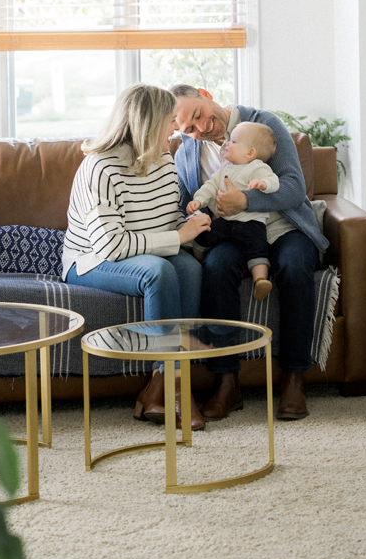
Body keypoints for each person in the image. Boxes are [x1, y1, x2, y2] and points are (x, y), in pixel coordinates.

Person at [171, 85, 329, 421]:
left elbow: (293, 186)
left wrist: (247, 201)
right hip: (232, 234)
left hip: (283, 226)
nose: (202, 129)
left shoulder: (261, 123)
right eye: (188, 129)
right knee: (216, 266)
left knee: (295, 262)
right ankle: (226, 381)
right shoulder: (185, 154)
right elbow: (189, 204)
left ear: (205, 93)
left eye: (199, 114)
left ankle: (294, 378)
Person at [62, 83, 211, 429]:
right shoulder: (100, 168)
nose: (176, 129)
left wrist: (191, 225)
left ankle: (160, 388)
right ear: (147, 123)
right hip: (89, 259)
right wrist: (177, 236)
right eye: (170, 120)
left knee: (188, 268)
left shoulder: (164, 161)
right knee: (157, 272)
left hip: (135, 251)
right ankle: (176, 389)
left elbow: (167, 220)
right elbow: (110, 246)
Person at [186, 121, 281, 301]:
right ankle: (198, 256)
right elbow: (210, 186)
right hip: (226, 222)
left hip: (251, 224)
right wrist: (198, 200)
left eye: (234, 141)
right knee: (204, 233)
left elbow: (273, 180)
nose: (227, 143)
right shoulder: (224, 170)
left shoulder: (257, 167)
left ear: (250, 152)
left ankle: (260, 280)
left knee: (258, 251)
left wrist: (263, 184)